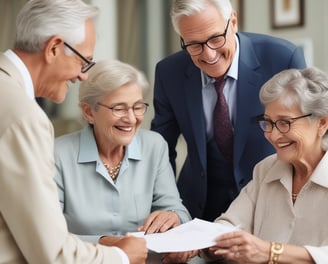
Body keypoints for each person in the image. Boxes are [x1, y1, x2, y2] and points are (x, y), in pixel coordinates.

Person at [0, 1, 147, 263]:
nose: (83, 76)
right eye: (84, 61)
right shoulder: (25, 117)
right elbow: (53, 255)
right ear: (54, 48)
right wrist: (122, 256)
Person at [151, 0, 307, 221]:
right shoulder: (169, 72)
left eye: (216, 38)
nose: (209, 54)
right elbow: (161, 150)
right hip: (197, 211)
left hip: (271, 205)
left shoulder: (283, 58)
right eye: (194, 45)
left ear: (233, 22)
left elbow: (306, 140)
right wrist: (168, 206)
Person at [54, 59, 193, 262]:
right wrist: (107, 242)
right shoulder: (56, 154)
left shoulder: (154, 146)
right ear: (89, 111)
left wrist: (173, 217)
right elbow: (47, 236)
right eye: (119, 108)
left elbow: (177, 209)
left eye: (137, 107)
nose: (131, 119)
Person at [199, 67, 328, 263]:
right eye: (268, 122)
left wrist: (270, 252)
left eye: (285, 122)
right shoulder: (266, 169)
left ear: (322, 123)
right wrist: (204, 244)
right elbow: (229, 224)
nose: (273, 136)